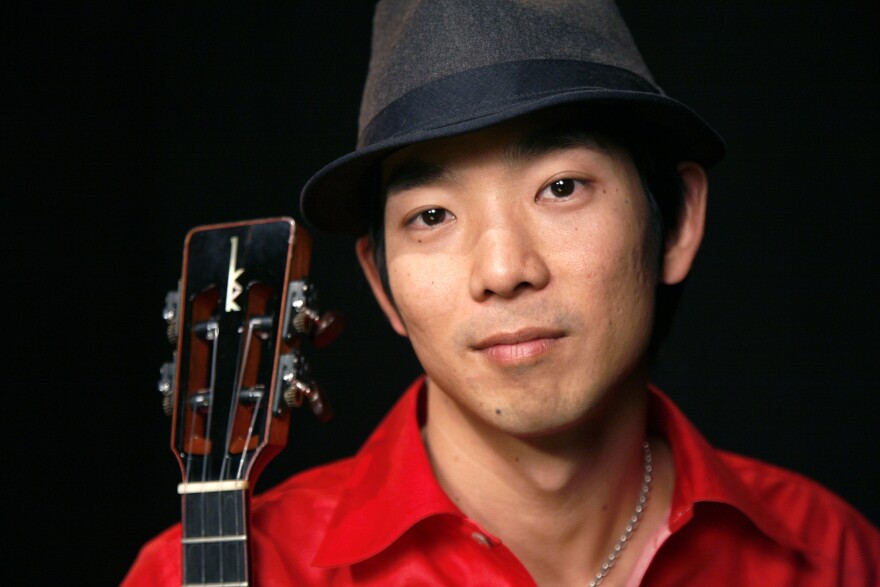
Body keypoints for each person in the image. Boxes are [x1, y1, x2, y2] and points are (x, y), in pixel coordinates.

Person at [123, 1, 880, 585]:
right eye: (431, 216)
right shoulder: (205, 571)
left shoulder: (835, 556)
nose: (502, 268)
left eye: (560, 187)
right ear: (382, 283)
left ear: (677, 221)